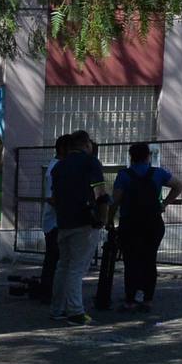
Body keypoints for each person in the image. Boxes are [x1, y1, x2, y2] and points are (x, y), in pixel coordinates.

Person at [105, 142, 182, 312]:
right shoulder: (158, 173)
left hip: (130, 224)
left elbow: (115, 201)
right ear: (148, 156)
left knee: (131, 261)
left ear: (130, 156)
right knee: (149, 260)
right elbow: (179, 185)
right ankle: (148, 299)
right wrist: (164, 204)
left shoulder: (124, 175)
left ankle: (130, 300)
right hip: (153, 223)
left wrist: (109, 220)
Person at [48, 132, 109, 325]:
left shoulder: (58, 167)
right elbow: (100, 193)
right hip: (85, 221)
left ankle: (57, 308)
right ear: (85, 144)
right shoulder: (91, 163)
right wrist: (103, 217)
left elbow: (55, 197)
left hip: (63, 221)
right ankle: (75, 311)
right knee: (76, 267)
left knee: (63, 266)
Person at [34, 133, 70, 302]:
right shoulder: (55, 169)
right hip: (54, 222)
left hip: (58, 221)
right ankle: (46, 291)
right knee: (53, 258)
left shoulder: (61, 167)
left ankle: (50, 290)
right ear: (63, 149)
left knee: (56, 258)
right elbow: (51, 197)